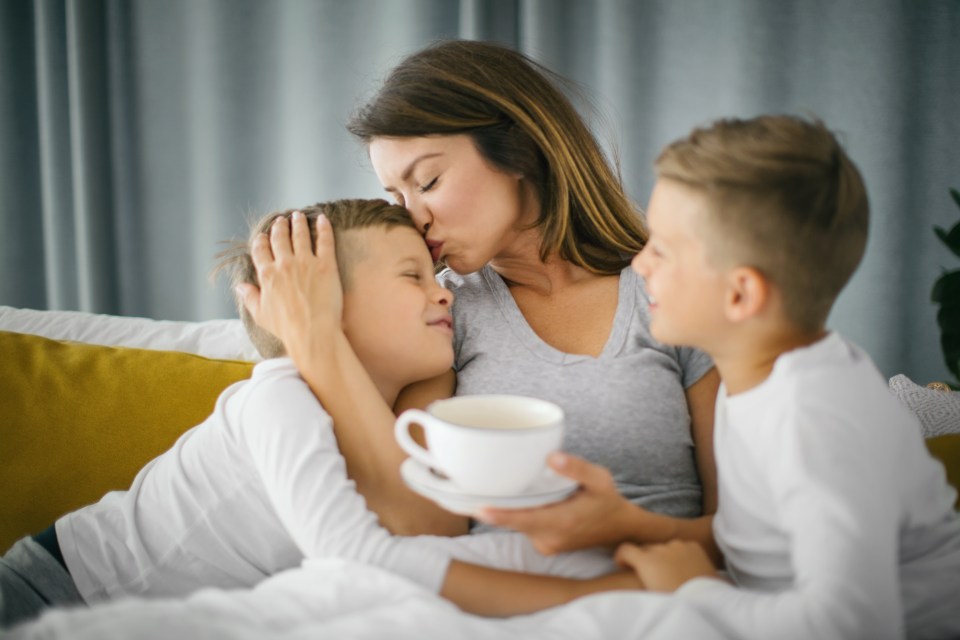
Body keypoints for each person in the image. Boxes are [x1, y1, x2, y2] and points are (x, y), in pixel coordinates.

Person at [0, 199, 637, 630]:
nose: (443, 290)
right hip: (49, 595)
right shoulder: (276, 398)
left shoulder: (401, 404)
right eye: (412, 277)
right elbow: (363, 557)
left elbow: (434, 532)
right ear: (325, 305)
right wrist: (594, 596)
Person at [240, 39, 721, 559]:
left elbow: (747, 536)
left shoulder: (670, 293)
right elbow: (421, 523)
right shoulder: (443, 312)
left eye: (428, 181)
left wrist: (627, 526)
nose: (414, 218)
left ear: (518, 153)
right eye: (396, 197)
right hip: (487, 600)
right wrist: (316, 340)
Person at [615, 115, 960, 639]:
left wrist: (695, 590)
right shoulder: (760, 371)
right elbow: (757, 544)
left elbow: (854, 626)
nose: (638, 264)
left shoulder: (812, 419)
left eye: (660, 249)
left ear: (740, 295)